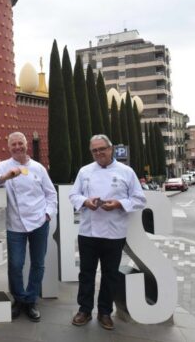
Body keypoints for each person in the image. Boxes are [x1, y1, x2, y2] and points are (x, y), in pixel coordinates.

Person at [69, 134, 146, 331]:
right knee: (86, 273)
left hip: (114, 232)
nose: (98, 153)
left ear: (111, 149)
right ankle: (84, 310)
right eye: (94, 150)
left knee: (110, 274)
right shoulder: (84, 171)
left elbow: (139, 199)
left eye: (102, 149)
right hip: (88, 231)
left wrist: (119, 203)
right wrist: (85, 202)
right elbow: (73, 195)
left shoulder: (126, 172)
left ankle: (105, 312)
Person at [0, 132, 57, 322]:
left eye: (20, 144)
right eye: (13, 144)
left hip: (39, 222)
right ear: (9, 147)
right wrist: (5, 177)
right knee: (15, 265)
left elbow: (51, 194)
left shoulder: (38, 168)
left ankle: (30, 301)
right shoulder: (4, 166)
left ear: (26, 145)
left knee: (38, 263)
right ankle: (19, 299)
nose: (17, 147)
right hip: (15, 224)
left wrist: (47, 214)